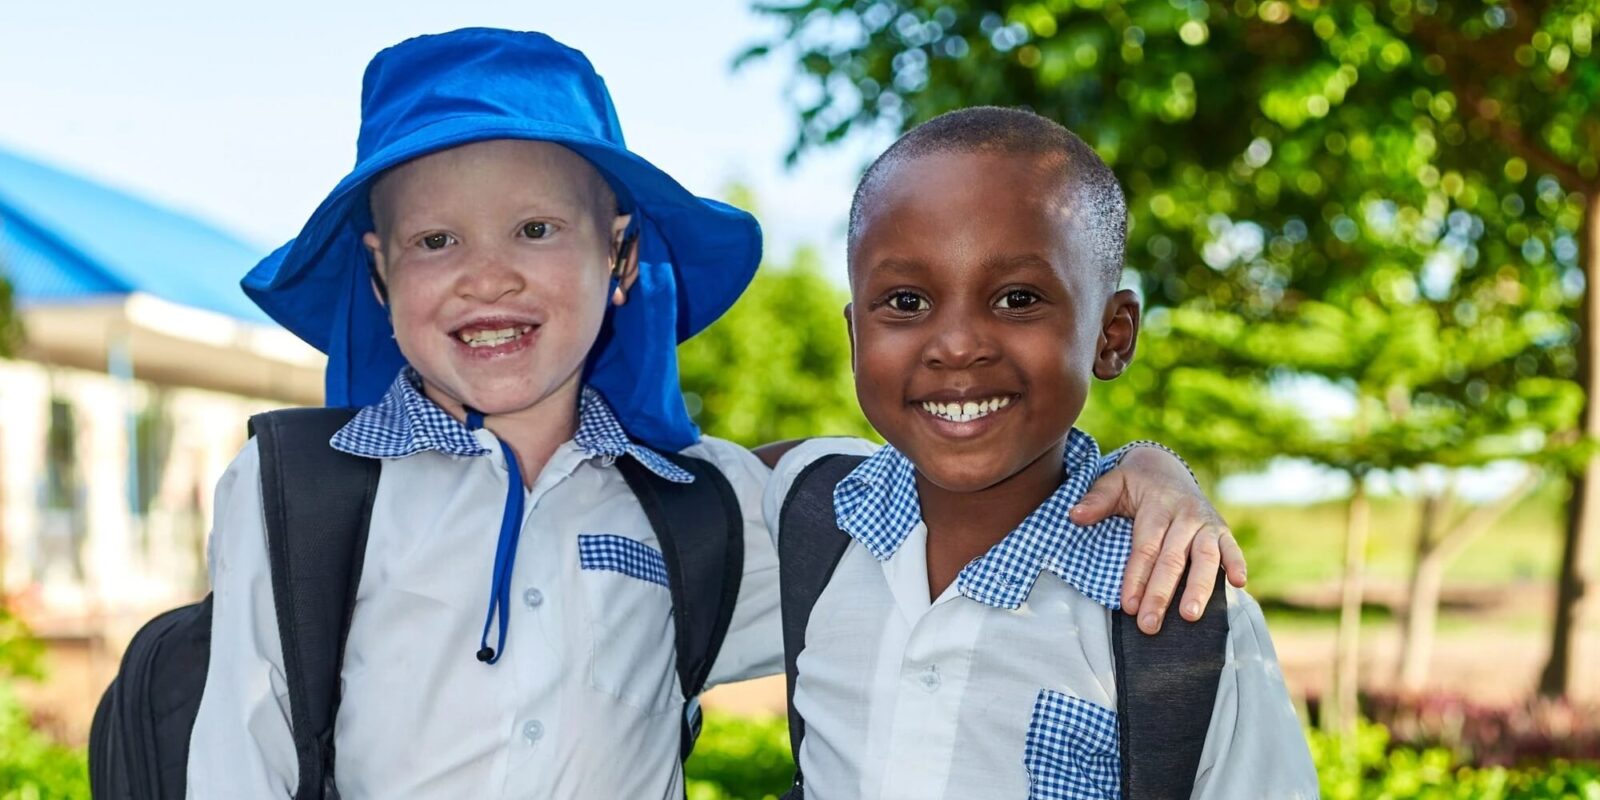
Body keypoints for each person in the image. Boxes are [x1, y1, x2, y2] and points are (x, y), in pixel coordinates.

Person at [188, 31, 1241, 798]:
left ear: (622, 258)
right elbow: (238, 757)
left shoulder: (702, 508)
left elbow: (933, 474)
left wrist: (1147, 465)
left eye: (537, 227)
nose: (487, 277)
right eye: (435, 242)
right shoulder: (299, 491)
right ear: (377, 275)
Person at [763, 106, 1316, 799]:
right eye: (905, 300)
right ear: (854, 338)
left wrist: (1149, 457)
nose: (958, 344)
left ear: (1112, 336)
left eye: (1017, 298)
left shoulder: (1181, 621)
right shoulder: (810, 521)